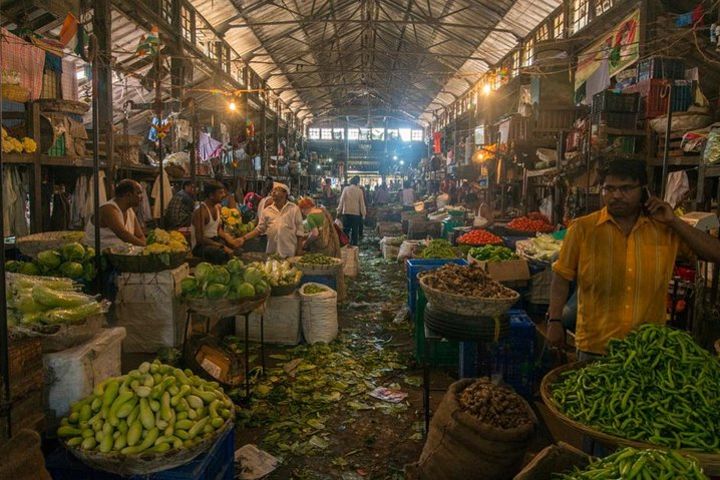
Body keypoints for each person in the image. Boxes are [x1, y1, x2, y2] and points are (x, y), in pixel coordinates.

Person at [547, 159, 720, 359]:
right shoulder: (583, 229)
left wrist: (674, 221)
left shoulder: (665, 230)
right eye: (608, 189)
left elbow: (715, 253)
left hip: (646, 350)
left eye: (626, 188)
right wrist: (554, 321)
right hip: (596, 348)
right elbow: (561, 279)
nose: (616, 195)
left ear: (644, 191)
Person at [238, 182, 304, 258]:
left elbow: (300, 231)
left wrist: (299, 249)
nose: (273, 193)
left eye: (276, 190)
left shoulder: (294, 209)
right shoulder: (267, 211)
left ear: (285, 193)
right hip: (272, 252)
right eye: (273, 191)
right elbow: (259, 229)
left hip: (289, 252)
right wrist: (244, 238)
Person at [84, 179, 146, 248]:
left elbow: (139, 235)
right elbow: (123, 234)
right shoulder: (108, 209)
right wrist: (145, 247)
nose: (142, 197)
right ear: (128, 195)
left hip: (119, 254)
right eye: (138, 193)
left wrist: (144, 247)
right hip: (101, 255)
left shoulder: (130, 211)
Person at [191, 181, 241, 264]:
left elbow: (218, 230)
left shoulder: (217, 207)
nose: (224, 195)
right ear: (211, 195)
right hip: (201, 245)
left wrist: (229, 239)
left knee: (237, 250)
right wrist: (222, 246)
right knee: (221, 253)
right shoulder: (201, 211)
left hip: (214, 240)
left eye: (224, 192)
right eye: (220, 193)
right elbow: (200, 238)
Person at [337, 176, 366, 246]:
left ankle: (344, 246)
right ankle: (354, 247)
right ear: (357, 182)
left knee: (346, 231)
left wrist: (338, 211)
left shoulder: (346, 189)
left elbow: (341, 201)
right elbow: (362, 203)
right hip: (356, 214)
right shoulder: (359, 191)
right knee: (355, 232)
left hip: (346, 213)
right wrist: (363, 214)